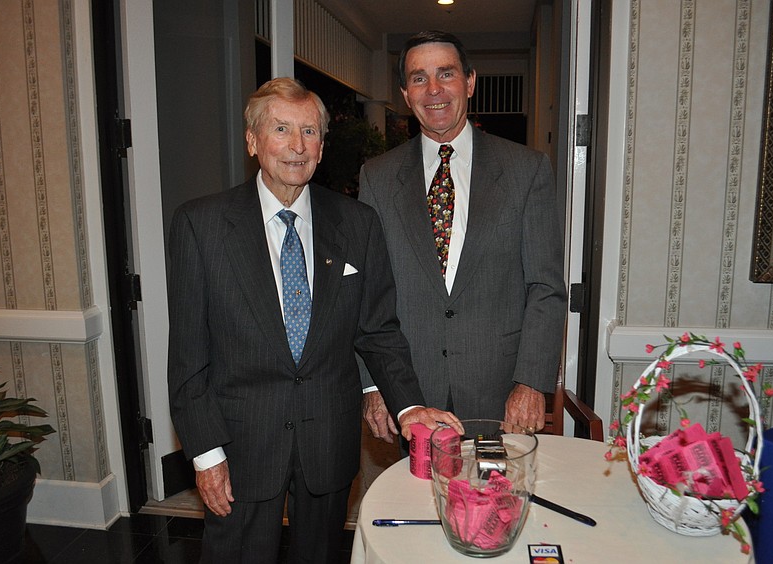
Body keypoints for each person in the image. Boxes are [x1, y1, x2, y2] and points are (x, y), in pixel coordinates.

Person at [167, 77, 461, 563]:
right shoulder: (201, 226)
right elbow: (188, 359)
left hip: (327, 441)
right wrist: (206, 455)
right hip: (241, 445)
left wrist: (408, 408)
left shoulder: (357, 224)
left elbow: (378, 331)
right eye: (281, 129)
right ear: (252, 140)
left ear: (322, 147)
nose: (297, 146)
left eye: (309, 132)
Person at [358, 31, 567, 444]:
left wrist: (530, 382)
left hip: (499, 394)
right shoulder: (377, 177)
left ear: (469, 82)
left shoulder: (526, 170)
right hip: (409, 395)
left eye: (446, 74)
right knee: (417, 507)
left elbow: (545, 287)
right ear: (404, 93)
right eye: (419, 78)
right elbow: (367, 293)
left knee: (496, 506)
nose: (433, 90)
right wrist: (373, 385)